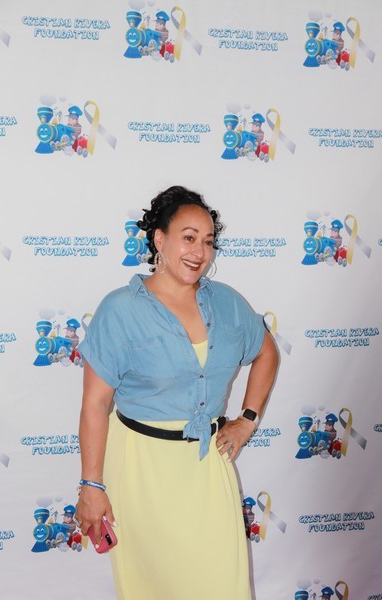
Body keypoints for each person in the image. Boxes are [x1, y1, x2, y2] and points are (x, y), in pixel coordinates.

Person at [75, 185, 279, 599]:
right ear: (160, 240)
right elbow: (95, 404)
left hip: (207, 465)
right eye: (188, 237)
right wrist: (91, 485)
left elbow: (267, 352)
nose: (199, 252)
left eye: (208, 241)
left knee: (222, 585)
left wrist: (247, 420)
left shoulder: (227, 304)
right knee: (153, 587)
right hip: (140, 470)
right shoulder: (120, 309)